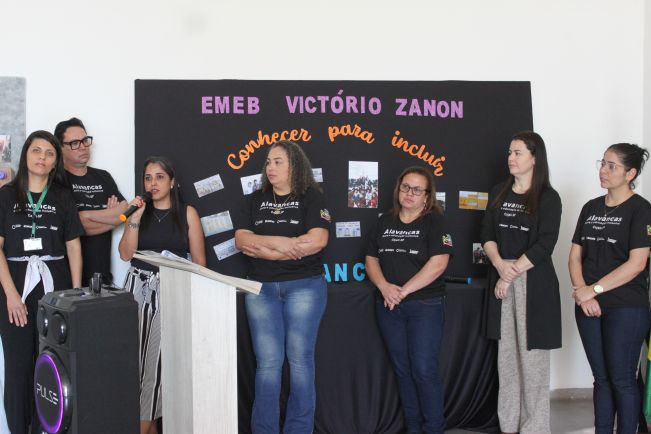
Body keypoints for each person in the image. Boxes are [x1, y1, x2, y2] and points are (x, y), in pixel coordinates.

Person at [234, 140, 330, 434]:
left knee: (300, 362)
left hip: (304, 287)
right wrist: (283, 244)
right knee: (267, 364)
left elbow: (318, 240)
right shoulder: (255, 199)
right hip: (261, 290)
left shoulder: (311, 197)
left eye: (278, 162)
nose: (270, 167)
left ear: (294, 166)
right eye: (268, 162)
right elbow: (242, 241)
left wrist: (266, 249)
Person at [0, 131, 83, 433]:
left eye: (49, 153)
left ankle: (46, 428)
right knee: (19, 366)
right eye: (36, 151)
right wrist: (11, 295)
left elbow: (73, 246)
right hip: (15, 287)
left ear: (55, 162)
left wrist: (75, 295)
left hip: (56, 286)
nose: (42, 158)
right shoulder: (7, 195)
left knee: (51, 363)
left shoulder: (62, 196)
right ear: (26, 155)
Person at [481, 131, 562, 434]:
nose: (511, 158)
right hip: (502, 276)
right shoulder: (498, 192)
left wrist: (510, 273)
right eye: (509, 152)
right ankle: (509, 425)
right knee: (507, 361)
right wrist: (500, 266)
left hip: (532, 282)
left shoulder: (548, 198)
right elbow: (487, 235)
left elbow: (545, 245)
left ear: (534, 158)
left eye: (517, 153)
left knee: (533, 361)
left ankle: (534, 428)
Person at [118, 156, 205, 434]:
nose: (152, 183)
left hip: (170, 291)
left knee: (155, 368)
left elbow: (200, 263)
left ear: (172, 182)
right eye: (147, 178)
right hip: (136, 290)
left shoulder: (187, 213)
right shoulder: (138, 212)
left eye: (159, 177)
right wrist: (134, 220)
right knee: (132, 364)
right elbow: (125, 254)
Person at [569, 143, 651, 434]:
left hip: (626, 306)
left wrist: (594, 290)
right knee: (601, 379)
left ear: (630, 173)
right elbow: (575, 256)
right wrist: (582, 291)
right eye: (602, 163)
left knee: (622, 380)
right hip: (587, 304)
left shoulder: (641, 210)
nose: (603, 170)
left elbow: (637, 263)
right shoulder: (590, 207)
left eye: (611, 165)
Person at [365, 166, 453, 434]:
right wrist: (384, 287)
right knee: (403, 370)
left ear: (427, 195)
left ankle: (433, 428)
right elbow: (371, 260)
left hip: (425, 305)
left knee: (423, 370)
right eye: (405, 187)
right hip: (389, 306)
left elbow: (438, 264)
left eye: (417, 189)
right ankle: (414, 428)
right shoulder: (384, 221)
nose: (409, 193)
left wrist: (402, 291)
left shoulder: (435, 222)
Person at [54, 117, 127, 286]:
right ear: (60, 148)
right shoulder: (57, 181)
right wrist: (112, 218)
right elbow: (69, 227)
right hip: (69, 281)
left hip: (102, 280)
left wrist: (85, 216)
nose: (83, 147)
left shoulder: (103, 177)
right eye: (75, 143)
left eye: (85, 140)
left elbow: (125, 211)